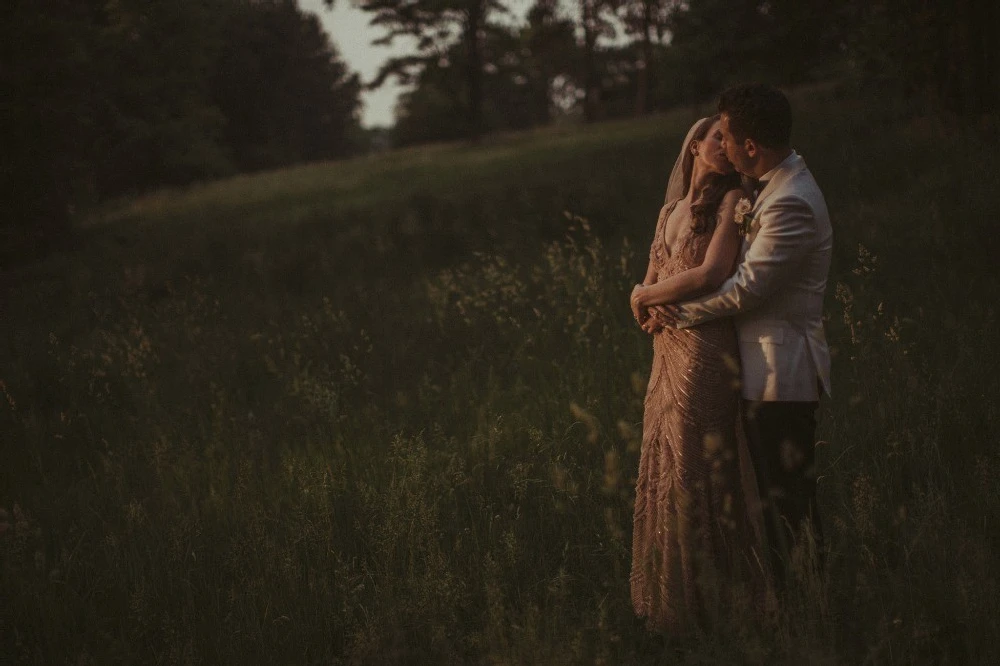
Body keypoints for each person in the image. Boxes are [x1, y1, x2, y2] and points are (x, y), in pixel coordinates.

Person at [654, 84, 833, 584]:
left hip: (782, 373)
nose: (725, 148)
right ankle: (788, 600)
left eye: (728, 136)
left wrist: (677, 313)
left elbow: (745, 290)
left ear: (750, 145)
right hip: (760, 371)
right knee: (772, 500)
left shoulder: (790, 201)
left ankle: (807, 604)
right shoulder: (772, 189)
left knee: (788, 502)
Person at [628, 114, 768, 634]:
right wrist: (642, 306)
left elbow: (712, 273)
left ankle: (724, 601)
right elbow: (651, 279)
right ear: (694, 145)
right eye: (718, 137)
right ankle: (675, 601)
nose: (727, 147)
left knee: (700, 463)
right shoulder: (669, 210)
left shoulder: (734, 202)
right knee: (663, 455)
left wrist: (645, 296)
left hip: (706, 347)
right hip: (666, 348)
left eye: (731, 140)